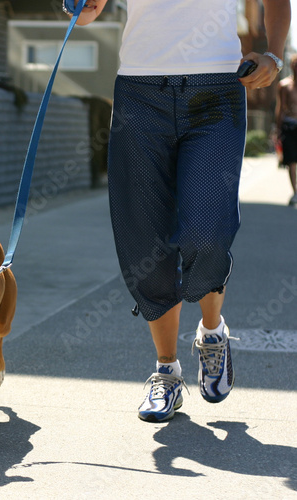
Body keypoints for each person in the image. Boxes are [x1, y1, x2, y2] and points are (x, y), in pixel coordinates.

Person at [68, 0, 290, 422]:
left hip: (217, 91)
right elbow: (89, 10)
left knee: (206, 231)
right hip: (139, 93)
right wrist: (80, 6)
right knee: (145, 241)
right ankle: (166, 372)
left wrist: (274, 54)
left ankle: (211, 333)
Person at [276, 53, 297, 206]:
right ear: (291, 66)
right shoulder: (284, 85)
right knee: (291, 161)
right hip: (289, 126)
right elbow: (280, 108)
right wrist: (277, 130)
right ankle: (295, 192)